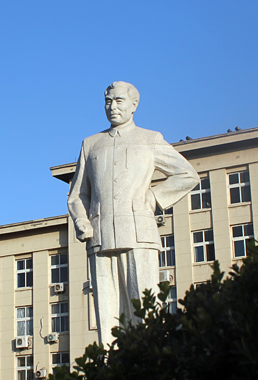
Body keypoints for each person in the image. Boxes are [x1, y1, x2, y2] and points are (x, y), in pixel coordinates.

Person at [68, 81, 199, 346]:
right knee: (107, 312)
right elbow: (78, 194)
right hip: (100, 235)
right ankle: (109, 371)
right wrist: (82, 220)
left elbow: (187, 174)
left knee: (144, 305)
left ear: (134, 105)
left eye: (118, 101)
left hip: (140, 234)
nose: (112, 107)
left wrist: (154, 197)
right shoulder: (91, 144)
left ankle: (147, 366)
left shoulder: (149, 139)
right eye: (108, 101)